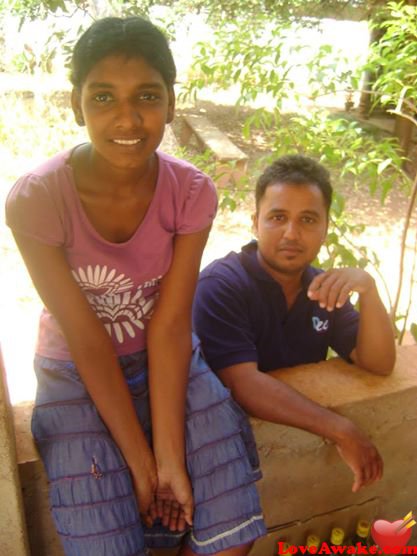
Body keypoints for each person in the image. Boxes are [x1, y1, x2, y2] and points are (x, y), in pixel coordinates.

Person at [5, 17, 266, 556]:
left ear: (172, 102)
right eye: (103, 96)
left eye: (146, 95)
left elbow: (170, 326)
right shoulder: (35, 200)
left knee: (228, 521)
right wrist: (143, 465)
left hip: (170, 359)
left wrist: (169, 457)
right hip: (76, 371)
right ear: (77, 104)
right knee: (102, 522)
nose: (127, 117)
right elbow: (84, 336)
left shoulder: (190, 193)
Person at [193, 154, 396, 494]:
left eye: (308, 219)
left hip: (293, 468)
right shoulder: (221, 284)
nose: (291, 233)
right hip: (218, 459)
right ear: (255, 222)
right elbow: (242, 384)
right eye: (277, 217)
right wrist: (341, 429)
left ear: (326, 228)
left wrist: (369, 289)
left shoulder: (321, 288)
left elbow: (378, 363)